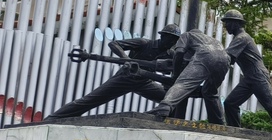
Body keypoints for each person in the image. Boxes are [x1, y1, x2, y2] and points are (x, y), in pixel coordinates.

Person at [46, 24, 181, 119]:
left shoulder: (171, 54)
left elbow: (174, 72)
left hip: (145, 83)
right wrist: (126, 59)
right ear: (162, 36)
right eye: (170, 38)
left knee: (173, 100)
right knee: (89, 100)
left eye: (174, 40)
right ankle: (53, 118)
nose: (171, 42)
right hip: (125, 78)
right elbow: (114, 44)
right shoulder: (144, 43)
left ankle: (164, 122)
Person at [220, 10, 272, 135]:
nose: (225, 26)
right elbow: (230, 60)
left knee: (271, 105)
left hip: (257, 75)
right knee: (230, 103)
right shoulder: (237, 38)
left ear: (235, 23)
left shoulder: (242, 38)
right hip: (249, 77)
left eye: (227, 22)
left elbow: (227, 56)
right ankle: (234, 130)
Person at [146, 29, 230, 124]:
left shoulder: (187, 35)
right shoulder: (211, 40)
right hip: (225, 59)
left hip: (206, 54)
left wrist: (176, 74)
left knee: (183, 83)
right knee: (210, 92)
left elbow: (179, 53)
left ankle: (164, 106)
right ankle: (219, 122)